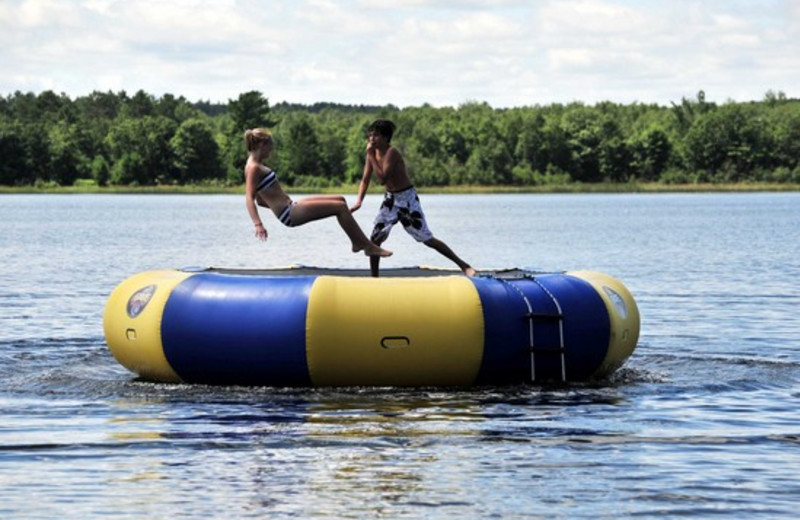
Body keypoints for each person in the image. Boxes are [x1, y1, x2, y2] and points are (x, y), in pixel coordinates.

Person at [350, 119, 476, 277]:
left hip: (406, 198)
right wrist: (359, 201)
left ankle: (465, 266)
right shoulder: (372, 155)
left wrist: (370, 155)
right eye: (369, 136)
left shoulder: (391, 153)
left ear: (385, 137)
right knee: (375, 239)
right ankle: (374, 278)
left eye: (375, 136)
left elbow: (382, 178)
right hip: (390, 199)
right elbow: (365, 179)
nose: (371, 139)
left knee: (426, 238)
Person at [244, 128, 392, 258]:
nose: (271, 150)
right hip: (289, 212)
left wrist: (278, 204)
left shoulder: (254, 165)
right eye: (270, 146)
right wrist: (258, 224)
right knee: (339, 207)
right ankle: (367, 246)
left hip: (291, 207)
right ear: (261, 145)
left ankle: (356, 240)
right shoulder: (253, 167)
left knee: (340, 199)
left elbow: (260, 200)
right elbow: (250, 199)